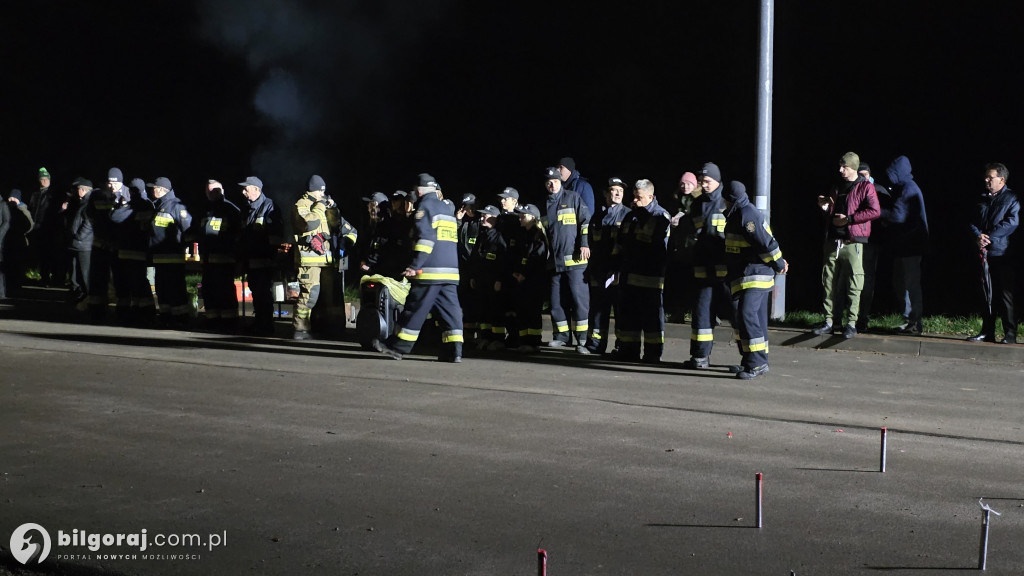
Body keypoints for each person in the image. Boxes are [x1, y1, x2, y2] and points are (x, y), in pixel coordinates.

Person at [374, 173, 464, 362]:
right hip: (450, 272)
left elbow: (426, 240)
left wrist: (415, 266)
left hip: (430, 271)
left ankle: (398, 347)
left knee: (415, 307)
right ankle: (453, 351)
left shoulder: (425, 207)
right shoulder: (446, 208)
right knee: (450, 311)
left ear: (419, 190)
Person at [722, 181, 789, 379]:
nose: (724, 204)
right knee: (752, 318)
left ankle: (757, 363)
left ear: (731, 200)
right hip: (744, 275)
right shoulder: (738, 213)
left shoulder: (746, 216)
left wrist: (779, 263)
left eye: (726, 200)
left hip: (756, 274)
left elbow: (766, 244)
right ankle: (752, 360)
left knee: (747, 315)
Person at [811, 152, 880, 339]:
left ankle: (851, 323)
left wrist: (849, 220)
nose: (840, 170)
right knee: (828, 282)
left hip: (853, 242)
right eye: (840, 166)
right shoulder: (836, 186)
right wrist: (825, 208)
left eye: (845, 167)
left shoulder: (865, 187)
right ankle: (829, 321)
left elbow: (875, 211)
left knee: (855, 283)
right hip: (833, 241)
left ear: (854, 168)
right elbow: (833, 215)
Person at [611, 179, 671, 363]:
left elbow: (652, 246)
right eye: (634, 197)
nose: (635, 200)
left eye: (639, 197)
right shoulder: (631, 216)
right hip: (629, 276)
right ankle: (629, 351)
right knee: (629, 317)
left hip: (649, 277)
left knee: (651, 319)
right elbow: (622, 242)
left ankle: (652, 354)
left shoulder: (661, 217)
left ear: (651, 197)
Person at [292, 174, 357, 340]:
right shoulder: (302, 204)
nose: (323, 195)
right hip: (309, 261)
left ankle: (332, 329)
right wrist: (320, 206)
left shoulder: (324, 204)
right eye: (321, 191)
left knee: (332, 298)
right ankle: (300, 329)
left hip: (328, 261)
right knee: (310, 294)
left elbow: (338, 226)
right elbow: (308, 224)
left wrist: (333, 208)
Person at [684, 162, 734, 369]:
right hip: (702, 270)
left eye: (708, 181)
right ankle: (700, 357)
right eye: (702, 181)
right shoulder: (697, 205)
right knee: (702, 314)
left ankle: (749, 359)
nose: (704, 185)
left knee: (736, 315)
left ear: (718, 181)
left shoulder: (727, 202)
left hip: (726, 272)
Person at [967, 163, 1018, 343]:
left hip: (1002, 253)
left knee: (1004, 295)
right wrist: (977, 236)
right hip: (983, 252)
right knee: (986, 294)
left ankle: (1010, 334)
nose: (986, 180)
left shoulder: (1012, 198)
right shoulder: (982, 199)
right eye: (986, 177)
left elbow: (1012, 222)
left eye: (991, 177)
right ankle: (987, 332)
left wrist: (989, 238)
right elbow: (971, 221)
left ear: (1001, 180)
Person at [543, 166, 591, 353]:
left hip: (575, 261)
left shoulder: (572, 198)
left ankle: (582, 341)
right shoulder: (544, 205)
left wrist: (585, 243)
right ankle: (561, 336)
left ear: (560, 181)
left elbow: (585, 221)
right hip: (554, 263)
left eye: (554, 181)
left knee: (579, 302)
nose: (551, 185)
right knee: (556, 302)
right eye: (548, 182)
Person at [883, 156, 929, 335]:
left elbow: (898, 216)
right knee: (900, 283)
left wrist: (878, 212)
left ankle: (915, 323)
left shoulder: (909, 189)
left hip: (911, 246)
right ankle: (909, 320)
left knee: (910, 284)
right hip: (904, 246)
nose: (890, 177)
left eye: (893, 173)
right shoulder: (905, 187)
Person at [584, 177, 629, 354]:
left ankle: (620, 346)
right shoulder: (598, 216)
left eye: (621, 190)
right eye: (613, 190)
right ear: (605, 193)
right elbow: (593, 245)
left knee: (619, 311)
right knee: (598, 309)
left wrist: (620, 269)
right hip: (599, 270)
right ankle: (595, 345)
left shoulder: (627, 214)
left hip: (618, 272)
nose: (617, 193)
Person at [239, 176, 283, 336]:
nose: (243, 192)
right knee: (256, 292)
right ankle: (259, 322)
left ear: (257, 189)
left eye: (246, 188)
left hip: (264, 259)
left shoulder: (269, 207)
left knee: (263, 293)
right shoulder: (247, 209)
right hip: (251, 259)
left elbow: (276, 234)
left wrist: (270, 255)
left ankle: (266, 325)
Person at [147, 177, 193, 328]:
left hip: (173, 258)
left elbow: (188, 229)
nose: (152, 190)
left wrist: (180, 247)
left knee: (175, 290)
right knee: (162, 290)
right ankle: (166, 317)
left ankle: (180, 318)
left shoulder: (175, 206)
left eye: (154, 188)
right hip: (160, 259)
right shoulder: (159, 205)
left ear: (161, 189)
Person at [110, 178, 156, 325]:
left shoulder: (137, 206)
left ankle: (141, 312)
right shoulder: (147, 205)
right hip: (135, 251)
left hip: (133, 251)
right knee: (136, 282)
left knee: (135, 283)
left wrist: (123, 206)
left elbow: (115, 217)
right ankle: (139, 311)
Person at [197, 179, 242, 332]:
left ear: (222, 191)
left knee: (225, 292)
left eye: (215, 190)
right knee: (209, 291)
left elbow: (238, 236)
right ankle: (212, 320)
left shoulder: (231, 210)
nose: (211, 194)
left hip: (225, 261)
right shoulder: (205, 210)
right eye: (209, 191)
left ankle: (229, 322)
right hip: (208, 261)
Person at [854, 162, 892, 333]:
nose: (863, 179)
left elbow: (889, 215)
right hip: (855, 240)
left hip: (871, 241)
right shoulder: (854, 189)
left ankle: (863, 316)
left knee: (867, 279)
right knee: (853, 279)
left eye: (865, 175)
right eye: (859, 175)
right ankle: (851, 316)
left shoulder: (879, 190)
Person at [85, 168, 122, 323]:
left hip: (100, 244)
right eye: (110, 182)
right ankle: (106, 311)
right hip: (112, 246)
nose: (112, 185)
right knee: (109, 279)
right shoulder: (118, 198)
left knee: (98, 279)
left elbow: (90, 216)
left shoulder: (96, 196)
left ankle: (97, 311)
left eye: (115, 182)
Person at [468, 204, 507, 350]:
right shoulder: (482, 234)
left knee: (495, 310)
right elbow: (474, 258)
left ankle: (497, 339)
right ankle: (485, 337)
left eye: (486, 215)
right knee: (483, 310)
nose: (482, 217)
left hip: (493, 280)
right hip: (481, 279)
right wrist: (473, 276)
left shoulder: (499, 236)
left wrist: (499, 279)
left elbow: (503, 260)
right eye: (482, 215)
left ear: (495, 218)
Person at [512, 203, 549, 352]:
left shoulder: (538, 235)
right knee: (523, 311)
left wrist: (524, 274)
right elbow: (519, 256)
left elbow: (537, 259)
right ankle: (524, 341)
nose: (520, 217)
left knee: (532, 312)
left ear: (533, 218)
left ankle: (533, 343)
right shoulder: (524, 234)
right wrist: (516, 271)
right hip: (522, 279)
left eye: (524, 215)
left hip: (534, 281)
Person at [666, 171, 702, 322]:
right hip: (679, 246)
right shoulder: (676, 198)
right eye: (682, 184)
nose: (685, 186)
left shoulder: (700, 200)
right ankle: (679, 312)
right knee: (680, 282)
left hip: (695, 246)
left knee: (697, 282)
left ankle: (701, 313)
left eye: (688, 184)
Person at [28, 167, 68, 287]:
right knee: (42, 255)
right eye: (42, 179)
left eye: (46, 179)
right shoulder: (35, 194)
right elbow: (32, 209)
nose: (44, 181)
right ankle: (44, 278)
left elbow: (57, 211)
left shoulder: (53, 194)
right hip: (37, 229)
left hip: (50, 229)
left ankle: (56, 278)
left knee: (52, 254)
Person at [495, 186, 523, 348]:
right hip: (503, 265)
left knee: (514, 305)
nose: (502, 201)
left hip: (512, 267)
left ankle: (515, 337)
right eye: (502, 198)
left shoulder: (516, 219)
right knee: (504, 304)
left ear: (515, 201)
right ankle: (509, 336)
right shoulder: (501, 218)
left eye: (506, 198)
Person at [455, 193, 481, 343]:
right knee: (463, 300)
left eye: (470, 206)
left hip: (475, 267)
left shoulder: (479, 221)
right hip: (462, 266)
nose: (467, 209)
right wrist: (458, 220)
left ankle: (475, 332)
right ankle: (467, 333)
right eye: (465, 206)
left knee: (474, 301)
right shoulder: (463, 221)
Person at [2, 189, 34, 297]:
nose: (11, 200)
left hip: (18, 241)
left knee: (17, 264)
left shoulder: (22, 209)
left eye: (13, 198)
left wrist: (18, 231)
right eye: (10, 198)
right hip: (7, 241)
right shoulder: (5, 208)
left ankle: (16, 284)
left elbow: (29, 225)